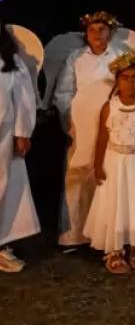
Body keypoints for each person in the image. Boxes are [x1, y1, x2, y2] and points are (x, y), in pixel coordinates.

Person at [82, 50, 135, 274]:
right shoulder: (109, 106)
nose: (130, 83)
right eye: (125, 78)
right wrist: (97, 165)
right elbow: (102, 136)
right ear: (117, 80)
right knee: (116, 202)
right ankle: (115, 248)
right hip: (115, 162)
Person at [55, 11, 125, 246]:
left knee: (108, 173)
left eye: (102, 29)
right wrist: (70, 121)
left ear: (110, 32)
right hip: (82, 123)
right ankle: (75, 234)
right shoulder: (76, 58)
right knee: (79, 174)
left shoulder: (120, 57)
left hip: (111, 123)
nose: (97, 34)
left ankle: (107, 232)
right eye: (92, 30)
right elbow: (64, 91)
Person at [0, 21, 40, 273]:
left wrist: (23, 132)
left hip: (3, 134)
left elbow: (23, 96)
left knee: (4, 186)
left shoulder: (9, 59)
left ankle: (1, 243)